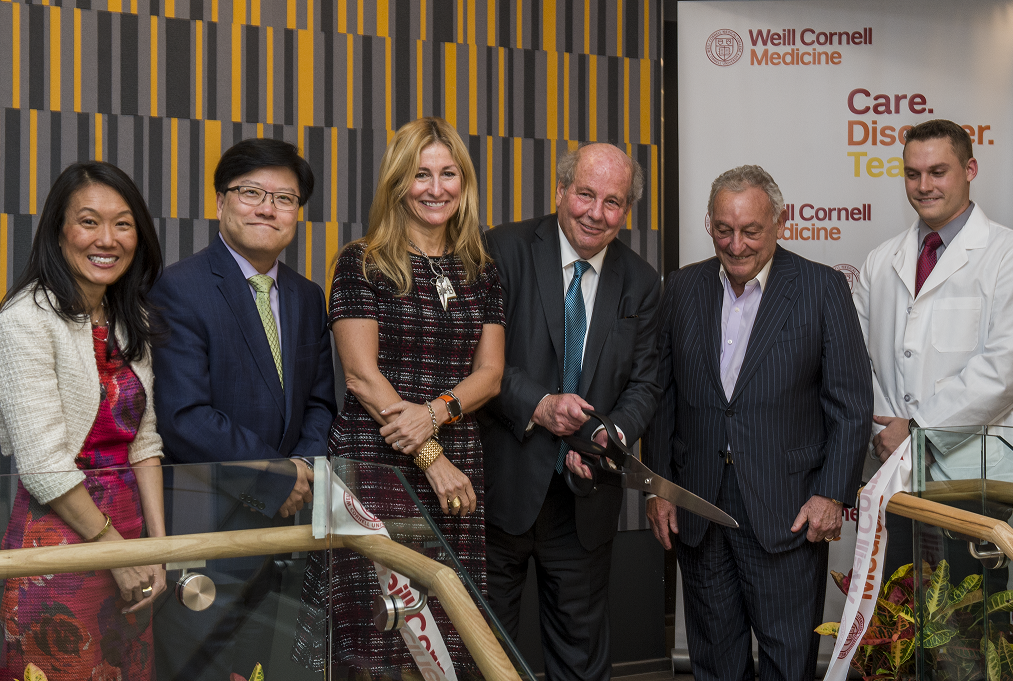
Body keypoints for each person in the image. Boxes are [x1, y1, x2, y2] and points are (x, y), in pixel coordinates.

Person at [289, 116, 504, 677]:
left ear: (465, 182)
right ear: (397, 184)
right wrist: (431, 457)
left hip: (459, 467)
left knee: (448, 632)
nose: (436, 188)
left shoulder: (482, 268)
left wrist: (435, 416)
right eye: (420, 174)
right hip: (377, 462)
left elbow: (491, 374)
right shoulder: (361, 262)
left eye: (448, 173)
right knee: (375, 635)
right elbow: (360, 378)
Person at [643, 165, 872, 680]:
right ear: (708, 224)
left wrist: (832, 494)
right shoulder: (681, 288)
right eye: (724, 229)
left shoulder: (822, 287)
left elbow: (851, 403)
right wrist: (659, 488)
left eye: (751, 230)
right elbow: (663, 397)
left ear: (780, 222)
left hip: (787, 511)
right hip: (699, 509)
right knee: (714, 660)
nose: (737, 244)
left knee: (787, 660)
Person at [148, 138, 336, 681]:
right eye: (251, 192)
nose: (267, 208)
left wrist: (302, 466)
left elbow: (321, 402)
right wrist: (279, 476)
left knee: (276, 668)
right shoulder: (178, 288)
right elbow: (185, 416)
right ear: (220, 202)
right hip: (210, 527)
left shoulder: (305, 296)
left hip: (291, 532)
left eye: (284, 198)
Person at [479, 142, 660, 681]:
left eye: (613, 202)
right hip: (500, 489)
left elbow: (646, 383)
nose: (596, 213)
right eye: (585, 194)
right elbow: (478, 359)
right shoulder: (503, 249)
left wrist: (610, 435)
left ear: (626, 210)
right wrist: (539, 404)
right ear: (560, 191)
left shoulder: (642, 281)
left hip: (584, 500)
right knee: (484, 649)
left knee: (580, 661)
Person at [0, 161, 166, 680]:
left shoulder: (128, 317)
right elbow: (45, 467)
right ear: (59, 230)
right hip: (58, 548)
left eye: (123, 223)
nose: (107, 238)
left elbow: (145, 442)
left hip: (131, 537)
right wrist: (119, 554)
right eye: (89, 221)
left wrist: (159, 550)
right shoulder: (24, 319)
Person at [855, 119, 1013, 574]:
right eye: (912, 173)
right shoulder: (881, 261)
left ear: (970, 169)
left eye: (938, 172)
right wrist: (887, 433)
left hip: (976, 483)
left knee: (975, 627)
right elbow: (853, 361)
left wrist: (919, 429)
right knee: (900, 627)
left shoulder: (1003, 255)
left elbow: (1002, 372)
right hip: (892, 475)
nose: (923, 186)